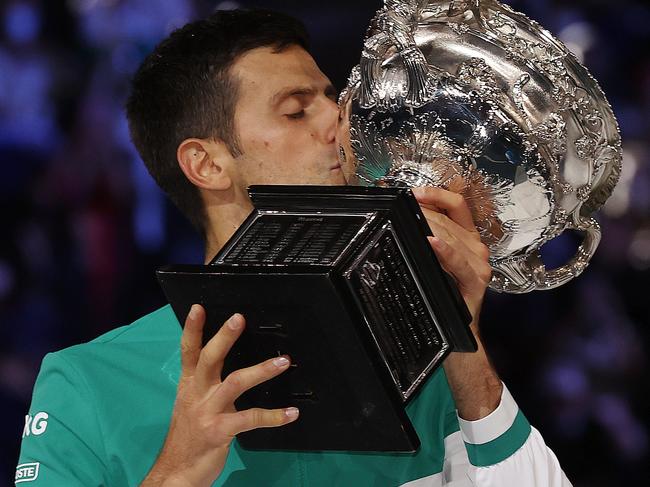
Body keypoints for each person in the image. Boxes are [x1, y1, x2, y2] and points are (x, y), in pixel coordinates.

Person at [15, 9, 572, 486]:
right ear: (207, 164)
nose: (340, 121)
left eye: (333, 100)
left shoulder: (425, 364)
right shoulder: (88, 382)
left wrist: (461, 341)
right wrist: (177, 472)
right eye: (296, 109)